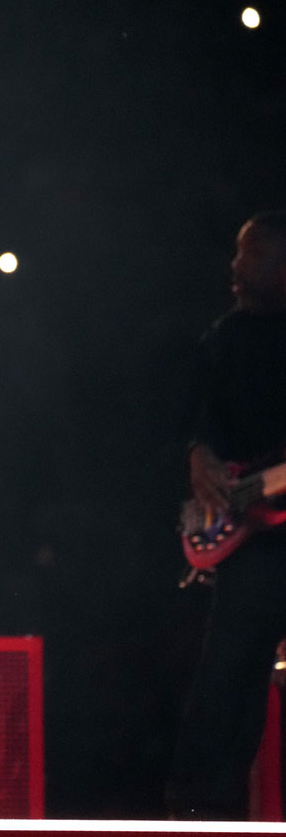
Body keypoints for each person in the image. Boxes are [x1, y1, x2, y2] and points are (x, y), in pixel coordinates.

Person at [167, 211, 286, 819]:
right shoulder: (228, 336)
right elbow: (200, 413)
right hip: (257, 539)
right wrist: (200, 453)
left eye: (253, 256)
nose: (237, 268)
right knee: (227, 686)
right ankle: (202, 818)